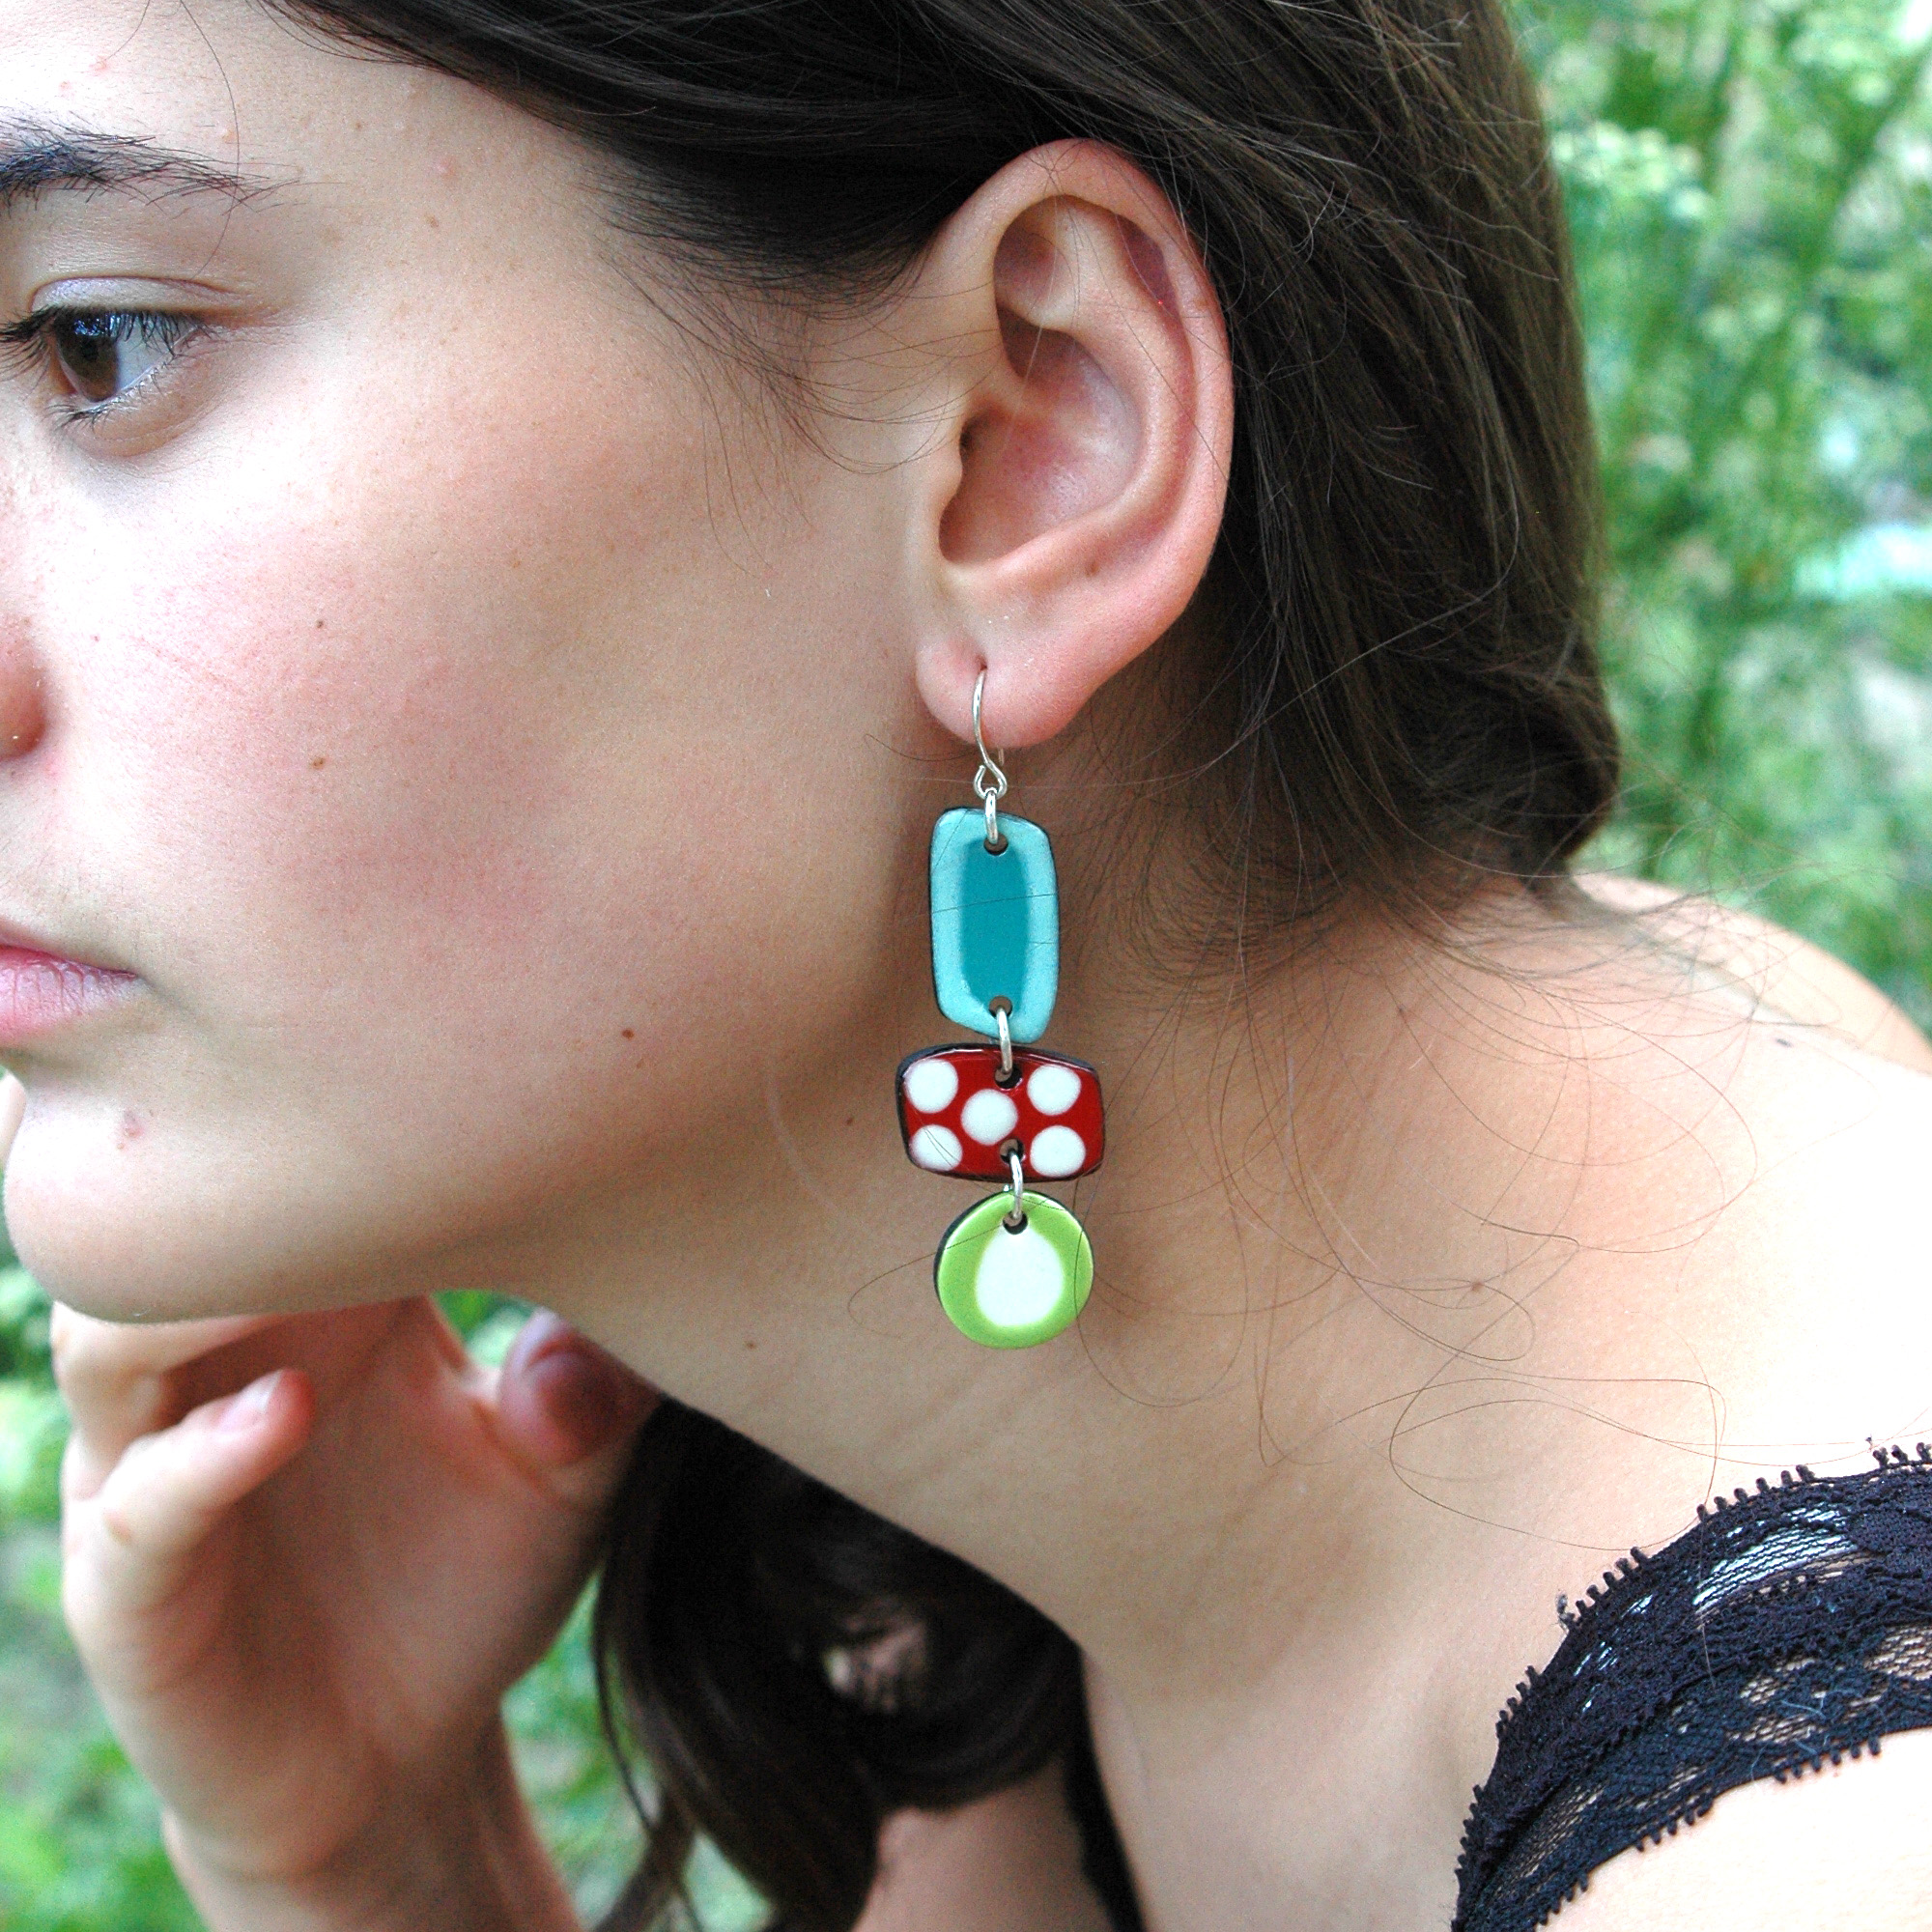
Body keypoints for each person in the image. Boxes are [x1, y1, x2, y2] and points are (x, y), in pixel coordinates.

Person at [8, 0, 1932, 1926]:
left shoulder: (1826, 1847)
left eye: (98, 343)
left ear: (1029, 443)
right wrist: (383, 1867)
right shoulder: (1033, 1520)